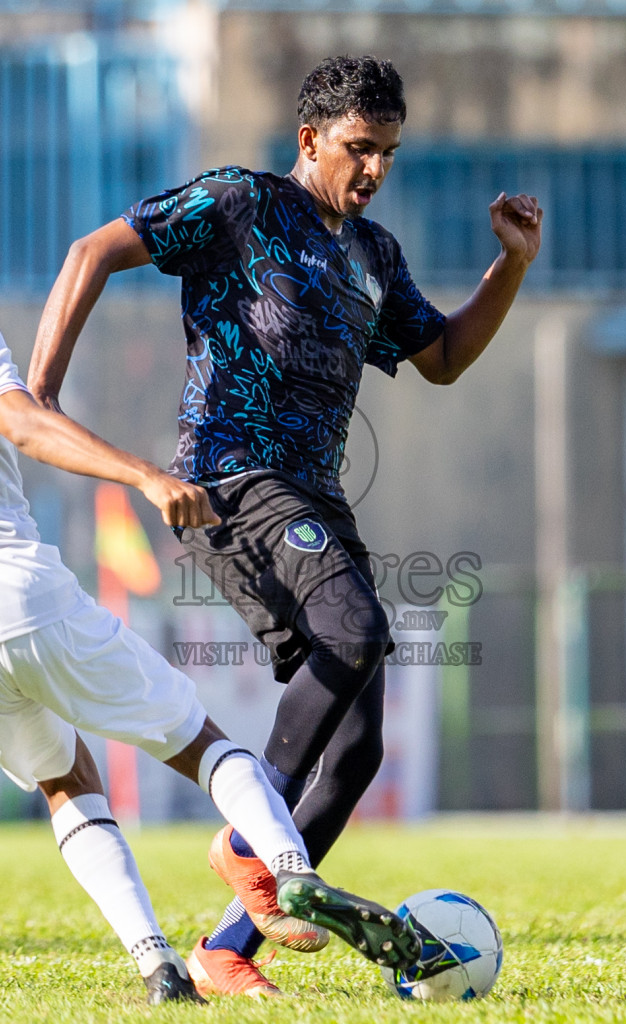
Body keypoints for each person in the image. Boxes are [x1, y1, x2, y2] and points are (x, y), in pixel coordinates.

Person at [0, 179, 419, 1006]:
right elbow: (26, 423)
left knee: (66, 783)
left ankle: (157, 965)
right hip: (19, 604)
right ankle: (286, 868)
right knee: (201, 742)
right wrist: (144, 475)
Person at [27, 55, 543, 997]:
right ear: (310, 140)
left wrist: (510, 264)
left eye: (388, 152)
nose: (375, 168)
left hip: (316, 498)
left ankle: (228, 949)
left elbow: (446, 358)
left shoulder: (373, 254)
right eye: (359, 148)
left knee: (359, 747)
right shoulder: (239, 203)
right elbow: (90, 253)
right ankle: (244, 844)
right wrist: (42, 390)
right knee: (357, 631)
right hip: (230, 478)